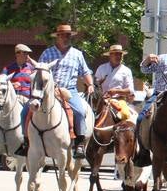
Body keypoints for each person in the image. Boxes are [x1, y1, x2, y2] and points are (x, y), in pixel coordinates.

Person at [38, 23, 94, 159]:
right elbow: (39, 70)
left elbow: (85, 72)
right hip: (49, 90)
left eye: (68, 35)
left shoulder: (77, 54)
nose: (65, 38)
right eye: (62, 35)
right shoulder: (47, 53)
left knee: (80, 111)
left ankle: (79, 143)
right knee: (29, 109)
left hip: (69, 90)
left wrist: (90, 84)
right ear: (57, 37)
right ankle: (26, 141)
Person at [94, 44, 136, 123]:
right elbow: (95, 85)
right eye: (116, 54)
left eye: (120, 54)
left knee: (125, 114)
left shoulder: (126, 71)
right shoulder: (101, 68)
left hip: (118, 101)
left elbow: (130, 90)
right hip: (101, 101)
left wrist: (116, 91)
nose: (118, 56)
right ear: (110, 56)